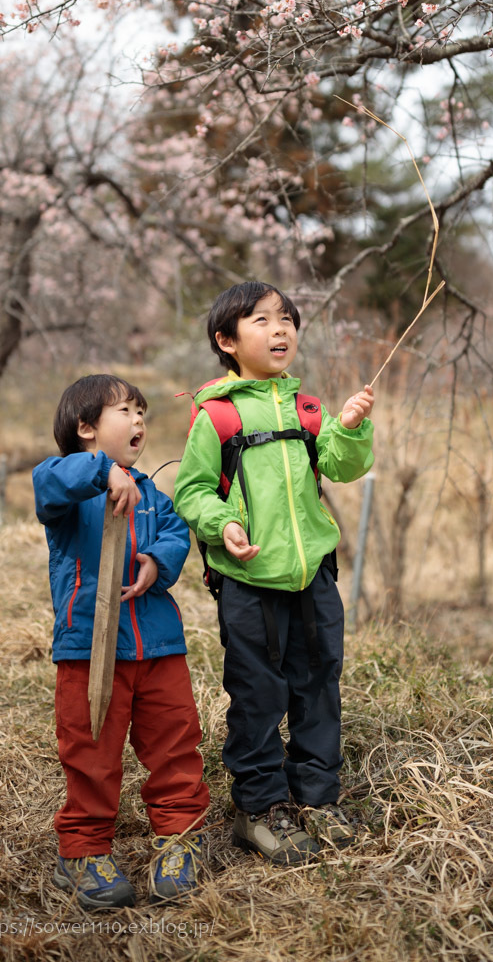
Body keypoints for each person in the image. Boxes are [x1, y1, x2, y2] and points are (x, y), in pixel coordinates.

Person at [173, 281, 374, 866]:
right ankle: (258, 809)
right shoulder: (219, 415)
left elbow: (341, 465)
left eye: (286, 318)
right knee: (258, 695)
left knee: (318, 686)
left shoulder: (308, 410)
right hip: (250, 580)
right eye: (260, 320)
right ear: (226, 340)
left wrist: (352, 425)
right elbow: (191, 489)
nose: (280, 328)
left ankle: (317, 797)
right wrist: (222, 524)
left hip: (313, 576)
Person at [33, 374, 209, 909]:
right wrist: (103, 471)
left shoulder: (153, 493)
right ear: (86, 428)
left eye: (142, 412)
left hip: (157, 646)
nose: (139, 421)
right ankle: (83, 849)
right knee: (91, 749)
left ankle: (179, 836)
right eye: (125, 411)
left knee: (175, 742)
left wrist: (159, 559)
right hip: (89, 648)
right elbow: (50, 482)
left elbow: (176, 531)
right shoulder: (67, 485)